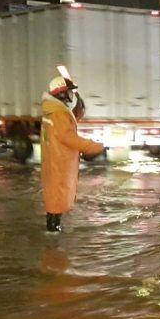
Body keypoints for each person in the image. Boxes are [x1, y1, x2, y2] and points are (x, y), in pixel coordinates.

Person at [41, 76, 104, 232]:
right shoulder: (58, 113)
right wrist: (95, 147)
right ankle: (53, 239)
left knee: (55, 198)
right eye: (69, 92)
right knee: (56, 200)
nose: (71, 94)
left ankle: (53, 233)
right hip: (59, 162)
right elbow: (68, 137)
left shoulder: (55, 111)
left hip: (55, 160)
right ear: (62, 93)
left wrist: (77, 110)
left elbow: (66, 125)